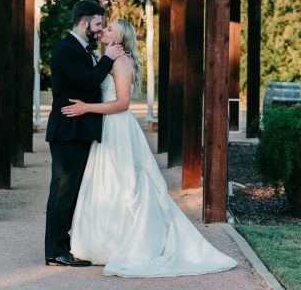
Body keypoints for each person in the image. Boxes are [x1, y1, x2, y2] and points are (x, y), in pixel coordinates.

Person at [61, 18, 238, 277]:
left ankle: (122, 243)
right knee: (106, 182)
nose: (103, 31)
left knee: (124, 183)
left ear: (119, 38)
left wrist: (86, 108)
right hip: (107, 127)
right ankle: (101, 242)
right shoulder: (109, 59)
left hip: (117, 127)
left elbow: (122, 104)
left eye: (109, 29)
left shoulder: (120, 62)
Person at [45, 0, 125, 267]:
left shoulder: (80, 48)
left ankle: (61, 247)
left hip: (78, 129)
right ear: (84, 23)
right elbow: (89, 80)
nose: (100, 29)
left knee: (70, 191)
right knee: (62, 191)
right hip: (68, 129)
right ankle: (56, 251)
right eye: (98, 23)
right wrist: (108, 58)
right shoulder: (67, 50)